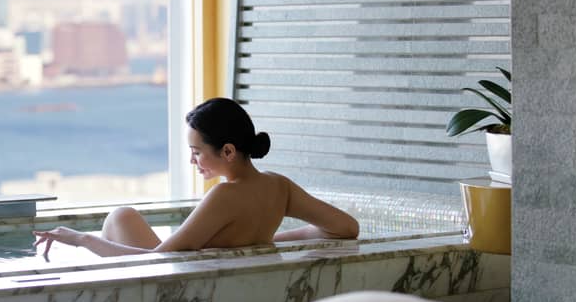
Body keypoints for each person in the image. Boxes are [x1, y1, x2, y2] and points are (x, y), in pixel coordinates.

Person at [33, 97, 359, 259]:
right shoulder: (279, 187)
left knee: (120, 216)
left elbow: (158, 261)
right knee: (126, 216)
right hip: (209, 278)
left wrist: (81, 239)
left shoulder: (224, 196)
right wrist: (266, 243)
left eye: (197, 151)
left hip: (180, 288)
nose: (192, 160)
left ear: (228, 151)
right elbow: (345, 227)